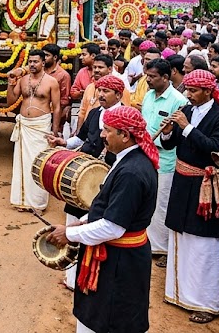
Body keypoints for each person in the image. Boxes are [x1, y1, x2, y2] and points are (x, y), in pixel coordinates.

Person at [46, 106, 159, 333]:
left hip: (120, 262)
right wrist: (84, 221)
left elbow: (113, 227)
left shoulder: (132, 172)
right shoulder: (127, 159)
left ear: (125, 135)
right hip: (119, 257)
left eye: (107, 130)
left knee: (112, 318)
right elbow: (108, 205)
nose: (101, 135)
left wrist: (69, 233)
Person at [159, 70, 219, 323]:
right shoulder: (186, 111)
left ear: (208, 91)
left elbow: (215, 148)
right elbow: (171, 146)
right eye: (187, 90)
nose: (188, 94)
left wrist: (186, 127)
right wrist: (169, 131)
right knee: (180, 235)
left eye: (193, 91)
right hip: (182, 182)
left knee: (203, 243)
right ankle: (178, 293)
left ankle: (207, 303)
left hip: (205, 184)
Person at [49, 74, 124, 290]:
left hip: (105, 178)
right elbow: (80, 139)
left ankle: (89, 277)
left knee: (95, 226)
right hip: (82, 180)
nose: (100, 95)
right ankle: (71, 278)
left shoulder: (124, 117)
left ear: (118, 94)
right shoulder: (94, 113)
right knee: (73, 222)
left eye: (106, 91)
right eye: (99, 90)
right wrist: (63, 142)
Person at [140, 58, 188, 263]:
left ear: (166, 78)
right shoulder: (149, 95)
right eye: (147, 76)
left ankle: (161, 248)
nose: (148, 80)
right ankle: (150, 241)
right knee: (148, 199)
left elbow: (177, 135)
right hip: (145, 155)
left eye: (152, 77)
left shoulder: (178, 101)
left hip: (166, 159)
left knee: (162, 202)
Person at [6, 49, 61, 213]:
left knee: (38, 163)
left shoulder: (52, 82)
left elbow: (57, 108)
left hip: (41, 127)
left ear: (43, 63)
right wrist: (10, 82)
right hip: (25, 125)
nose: (32, 64)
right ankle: (21, 201)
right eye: (30, 62)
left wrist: (54, 131)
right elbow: (11, 101)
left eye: (35, 61)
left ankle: (37, 203)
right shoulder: (23, 80)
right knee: (22, 163)